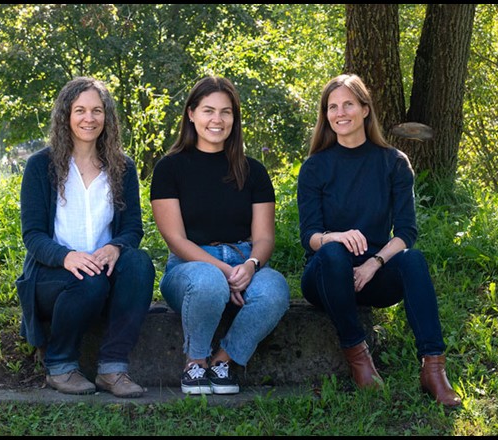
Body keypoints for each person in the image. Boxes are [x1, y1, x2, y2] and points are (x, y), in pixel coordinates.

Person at [296, 73, 462, 408]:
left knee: (413, 260)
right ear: (325, 115)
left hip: (373, 274)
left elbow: (406, 233)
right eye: (332, 107)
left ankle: (433, 368)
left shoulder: (393, 163)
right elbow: (309, 236)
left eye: (348, 104)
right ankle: (359, 357)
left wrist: (374, 262)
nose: (340, 112)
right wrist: (337, 238)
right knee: (332, 253)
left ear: (365, 109)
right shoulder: (315, 167)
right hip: (326, 275)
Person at [150, 75, 290, 395]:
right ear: (191, 113)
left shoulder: (253, 170)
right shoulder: (169, 169)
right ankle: (195, 362)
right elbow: (176, 240)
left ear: (234, 118)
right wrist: (225, 273)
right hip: (190, 269)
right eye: (208, 110)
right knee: (208, 281)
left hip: (245, 264)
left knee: (275, 289)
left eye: (226, 112)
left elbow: (265, 237)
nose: (217, 119)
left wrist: (251, 265)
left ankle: (223, 359)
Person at [16, 76, 155, 397]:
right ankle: (61, 366)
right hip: (53, 276)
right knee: (88, 280)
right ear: (66, 115)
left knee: (139, 263)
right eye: (80, 110)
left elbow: (133, 227)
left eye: (97, 110)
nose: (88, 119)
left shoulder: (123, 167)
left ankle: (113, 369)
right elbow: (33, 235)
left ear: (107, 117)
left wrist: (116, 247)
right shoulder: (41, 166)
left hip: (104, 270)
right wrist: (66, 257)